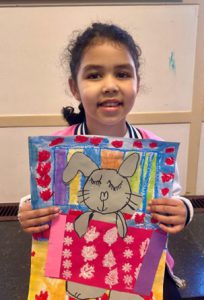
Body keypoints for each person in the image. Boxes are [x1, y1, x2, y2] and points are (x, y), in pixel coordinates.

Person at [18, 22, 193, 300]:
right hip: (75, 262)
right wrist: (27, 210)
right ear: (74, 88)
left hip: (140, 262)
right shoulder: (57, 147)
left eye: (122, 74)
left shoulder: (156, 149)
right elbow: (39, 198)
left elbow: (173, 195)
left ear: (137, 82)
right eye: (95, 75)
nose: (110, 85)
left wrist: (182, 209)